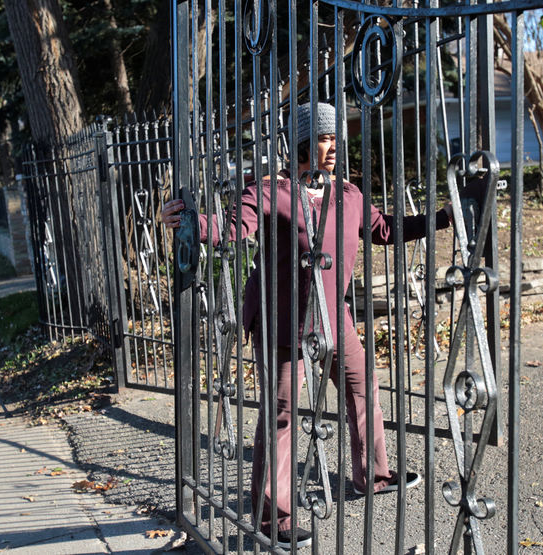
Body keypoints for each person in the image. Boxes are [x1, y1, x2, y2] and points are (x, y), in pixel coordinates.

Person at [161, 102, 452, 549]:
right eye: (324, 137)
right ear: (301, 143)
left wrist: (445, 218)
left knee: (363, 386)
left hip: (335, 320)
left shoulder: (349, 196)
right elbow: (235, 226)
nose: (333, 146)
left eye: (337, 137)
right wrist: (190, 225)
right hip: (283, 327)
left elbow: (386, 229)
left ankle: (371, 475)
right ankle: (271, 516)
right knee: (281, 417)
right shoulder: (270, 191)